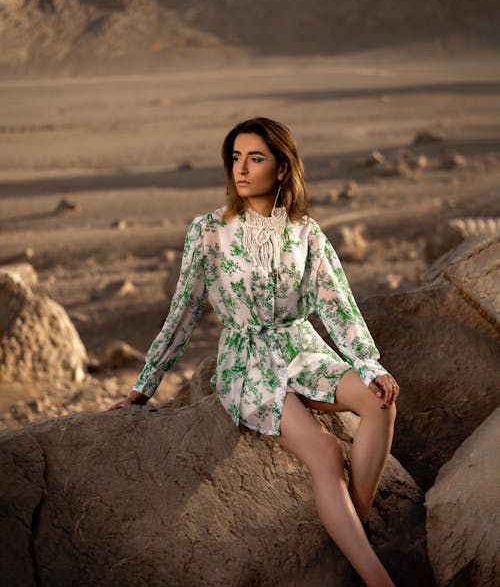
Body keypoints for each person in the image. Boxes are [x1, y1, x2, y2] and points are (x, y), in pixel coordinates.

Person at [109, 117, 399, 587]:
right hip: (247, 360)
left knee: (381, 401)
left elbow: (337, 305)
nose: (241, 169)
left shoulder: (307, 233)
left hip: (302, 346)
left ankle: (353, 530)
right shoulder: (209, 231)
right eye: (236, 158)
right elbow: (182, 313)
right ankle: (377, 578)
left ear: (283, 169)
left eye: (255, 158)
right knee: (325, 454)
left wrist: (370, 365)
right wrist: (143, 388)